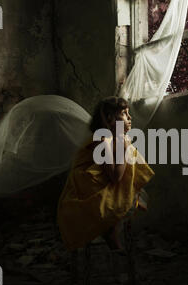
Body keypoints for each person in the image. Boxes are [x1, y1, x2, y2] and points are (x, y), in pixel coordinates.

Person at [57, 96, 154, 252]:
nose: (130, 118)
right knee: (128, 156)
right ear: (111, 118)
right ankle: (110, 232)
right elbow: (116, 176)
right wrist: (124, 146)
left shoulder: (116, 138)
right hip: (89, 191)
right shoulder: (104, 140)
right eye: (124, 113)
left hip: (104, 182)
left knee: (131, 155)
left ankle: (112, 230)